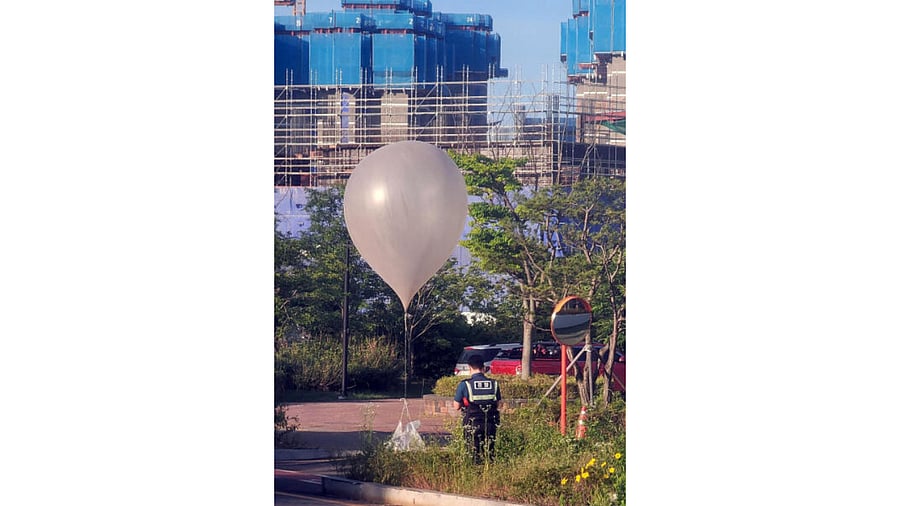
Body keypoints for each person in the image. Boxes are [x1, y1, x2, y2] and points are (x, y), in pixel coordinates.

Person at [453, 354, 501, 464]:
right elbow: (497, 404)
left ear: (469, 367)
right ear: (483, 367)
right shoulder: (494, 384)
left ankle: (475, 471)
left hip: (472, 423)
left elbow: (456, 406)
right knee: (490, 451)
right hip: (490, 423)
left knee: (473, 451)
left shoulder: (465, 384)